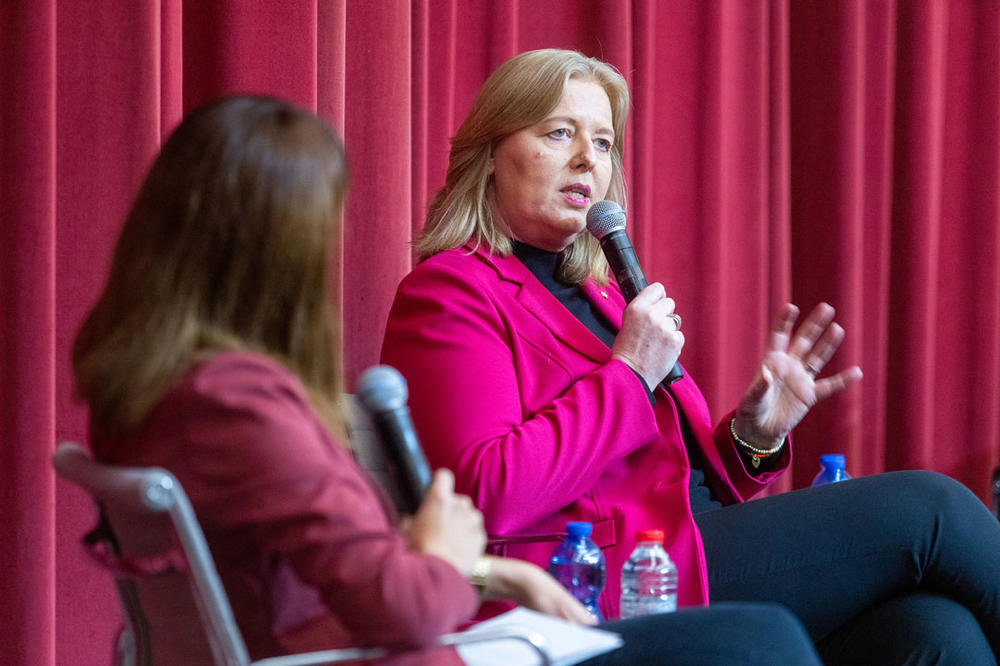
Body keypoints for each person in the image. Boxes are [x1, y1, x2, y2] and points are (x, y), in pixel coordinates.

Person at [381, 48, 1000, 664]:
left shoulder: (600, 294)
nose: (585, 161)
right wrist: (627, 374)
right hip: (599, 583)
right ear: (490, 154)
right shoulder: (452, 289)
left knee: (933, 630)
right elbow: (486, 490)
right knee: (931, 510)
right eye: (559, 132)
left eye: (602, 143)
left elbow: (674, 480)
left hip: (681, 550)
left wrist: (753, 435)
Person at [71, 95, 599, 665]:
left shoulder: (145, 384)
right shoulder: (236, 404)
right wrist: (445, 556)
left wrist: (494, 571)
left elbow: (330, 560)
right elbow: (407, 609)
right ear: (284, 248)